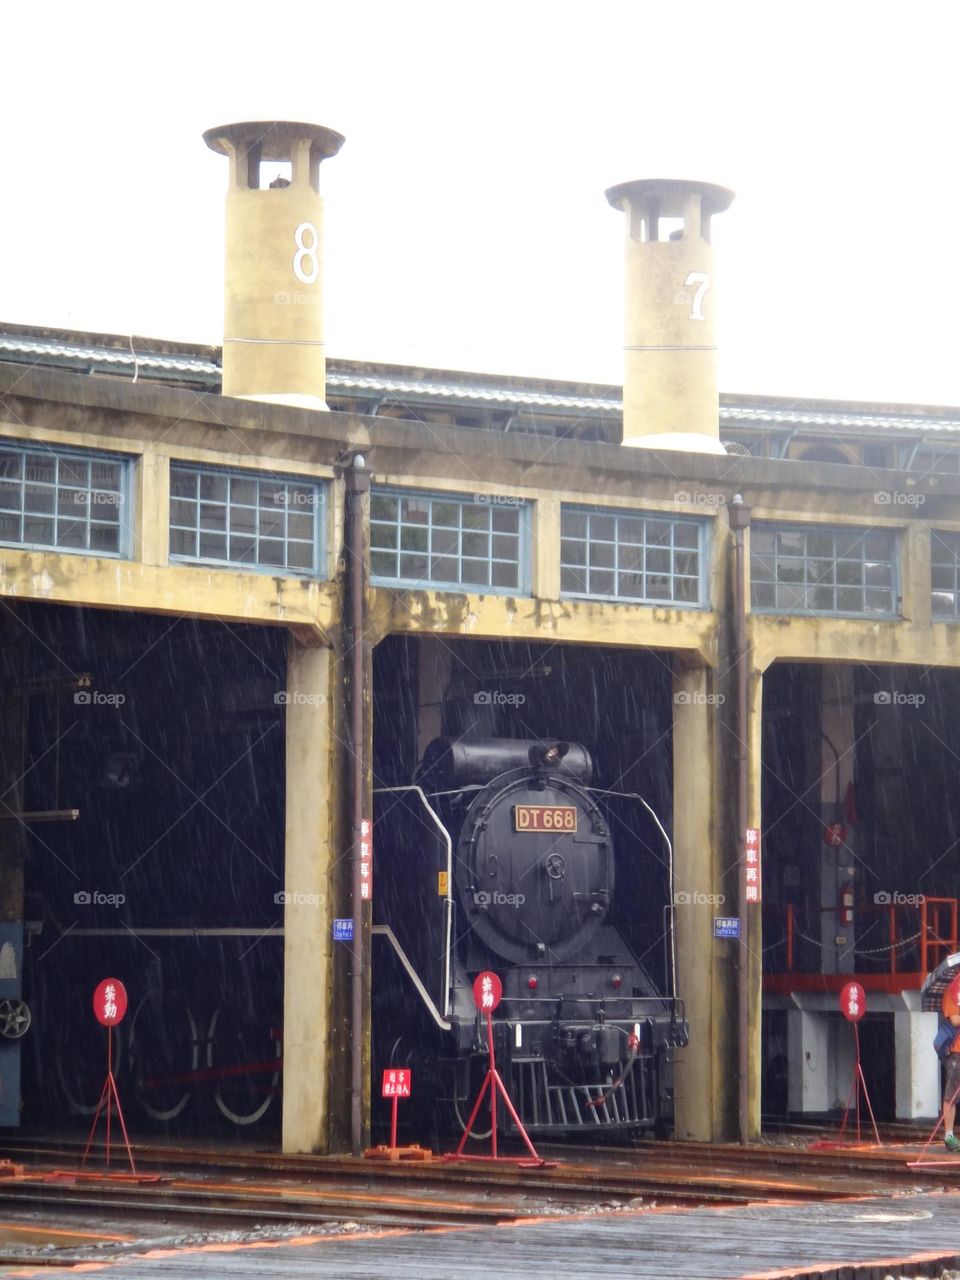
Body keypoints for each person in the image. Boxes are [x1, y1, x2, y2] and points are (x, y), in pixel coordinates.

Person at [941, 976, 960, 1152]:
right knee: (951, 1095)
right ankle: (949, 1135)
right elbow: (955, 1019)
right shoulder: (953, 988)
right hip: (957, 1051)